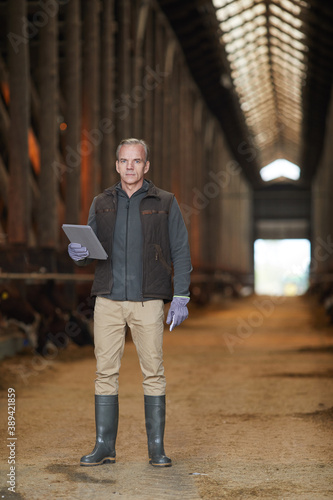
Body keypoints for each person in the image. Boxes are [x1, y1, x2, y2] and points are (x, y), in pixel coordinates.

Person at [68, 138, 192, 468]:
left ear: (146, 166)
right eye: (124, 161)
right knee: (104, 372)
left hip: (147, 300)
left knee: (153, 373)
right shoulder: (101, 202)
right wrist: (78, 254)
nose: (130, 167)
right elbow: (89, 248)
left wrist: (181, 293)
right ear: (116, 165)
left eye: (136, 161)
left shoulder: (165, 201)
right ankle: (104, 446)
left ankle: (156, 448)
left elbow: (180, 248)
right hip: (107, 299)